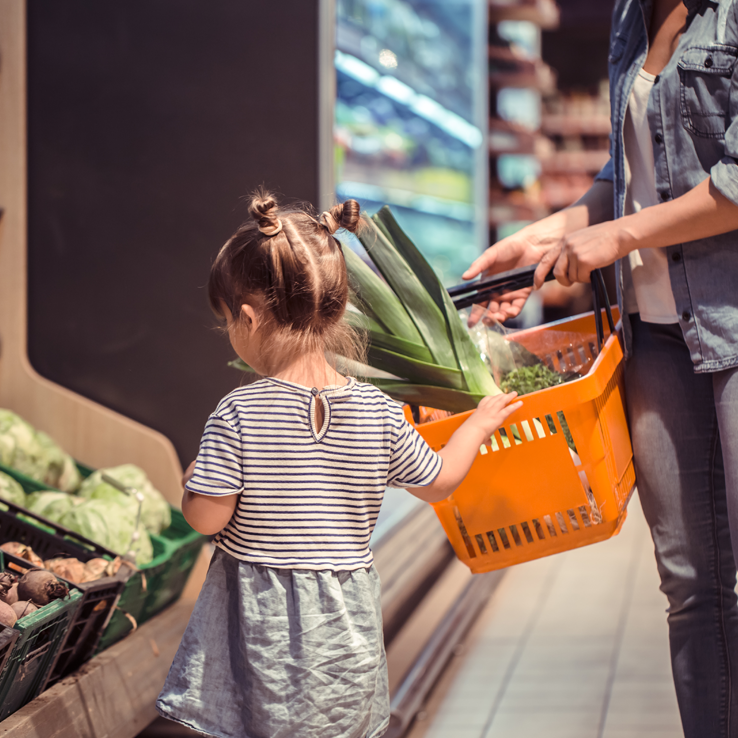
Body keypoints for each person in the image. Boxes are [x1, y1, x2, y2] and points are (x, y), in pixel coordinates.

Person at [464, 1, 738, 735]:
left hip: (733, 327)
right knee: (690, 586)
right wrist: (541, 239)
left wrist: (619, 237)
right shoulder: (629, 17)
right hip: (654, 336)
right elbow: (629, 173)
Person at [155, 191, 522, 738]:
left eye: (228, 318)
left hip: (263, 636)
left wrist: (193, 485)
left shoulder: (237, 412)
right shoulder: (378, 408)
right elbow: (440, 482)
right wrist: (477, 424)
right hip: (343, 636)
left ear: (249, 318)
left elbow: (208, 517)